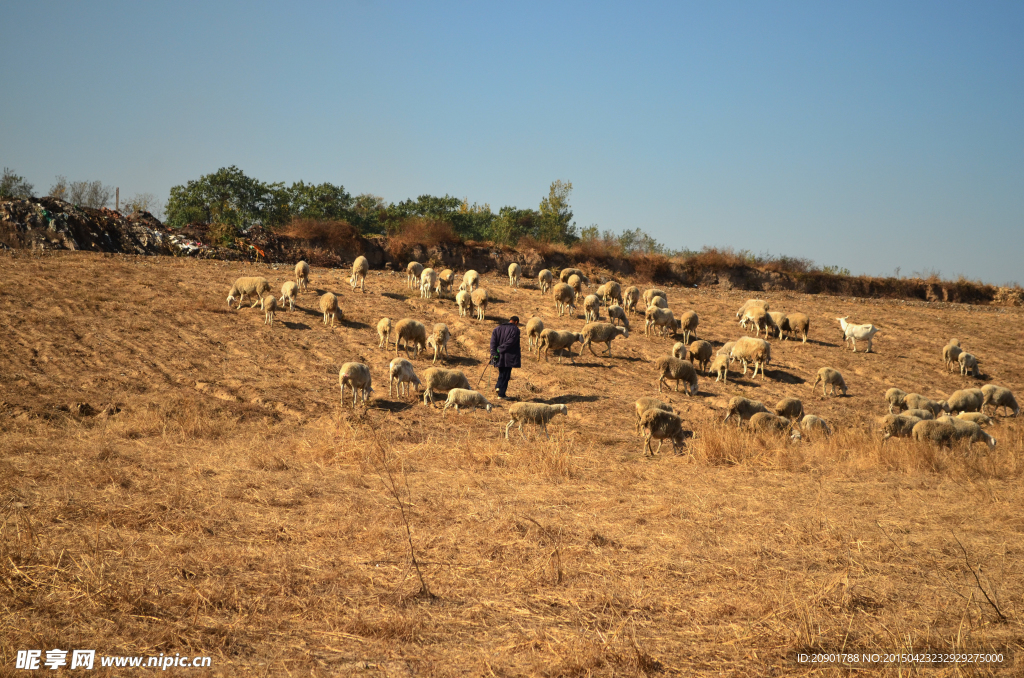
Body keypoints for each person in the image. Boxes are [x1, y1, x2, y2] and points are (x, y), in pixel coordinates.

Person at [489, 315, 521, 400]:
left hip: (498, 356)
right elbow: (511, 342)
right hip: (509, 356)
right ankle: (501, 395)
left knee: (502, 372)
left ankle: (498, 386)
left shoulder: (497, 329)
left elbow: (492, 342)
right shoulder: (515, 330)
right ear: (516, 322)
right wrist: (500, 349)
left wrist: (494, 353)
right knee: (506, 375)